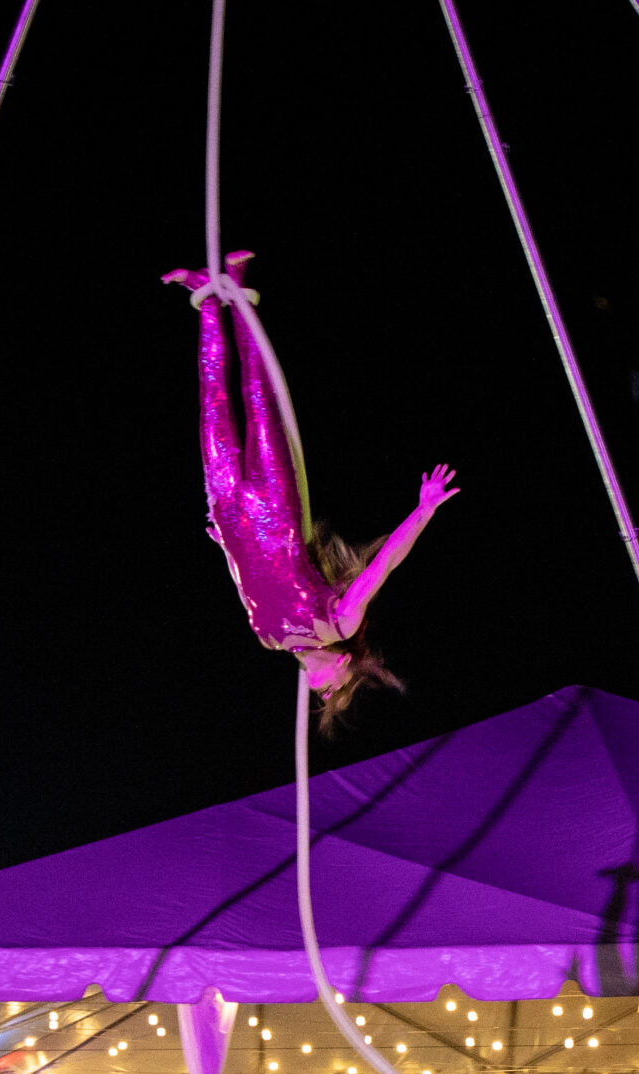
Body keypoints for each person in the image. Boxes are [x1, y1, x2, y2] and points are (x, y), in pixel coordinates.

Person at [161, 251, 460, 728]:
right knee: (258, 401)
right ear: (342, 663)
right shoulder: (338, 622)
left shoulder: (268, 640)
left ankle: (207, 299)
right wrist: (423, 510)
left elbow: (246, 585)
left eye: (324, 696)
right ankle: (237, 287)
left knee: (212, 403)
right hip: (275, 509)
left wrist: (226, 545)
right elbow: (384, 564)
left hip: (230, 514)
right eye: (334, 691)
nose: (321, 691)